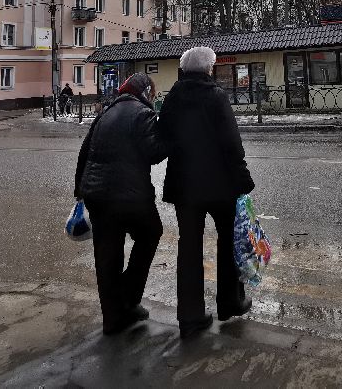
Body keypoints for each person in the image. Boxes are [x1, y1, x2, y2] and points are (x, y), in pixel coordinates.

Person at [158, 46, 255, 339]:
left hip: (184, 187)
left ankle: (190, 316)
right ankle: (229, 302)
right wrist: (243, 179)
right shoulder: (216, 96)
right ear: (208, 69)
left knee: (188, 247)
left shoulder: (173, 98)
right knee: (228, 241)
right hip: (219, 184)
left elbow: (162, 140)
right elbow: (231, 143)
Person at [74, 73, 168, 335]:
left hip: (96, 195)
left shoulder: (105, 113)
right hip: (129, 195)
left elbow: (84, 152)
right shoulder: (142, 113)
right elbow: (154, 153)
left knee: (107, 256)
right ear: (145, 92)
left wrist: (80, 191)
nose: (153, 98)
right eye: (152, 93)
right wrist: (169, 135)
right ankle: (128, 298)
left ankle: (113, 319)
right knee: (150, 233)